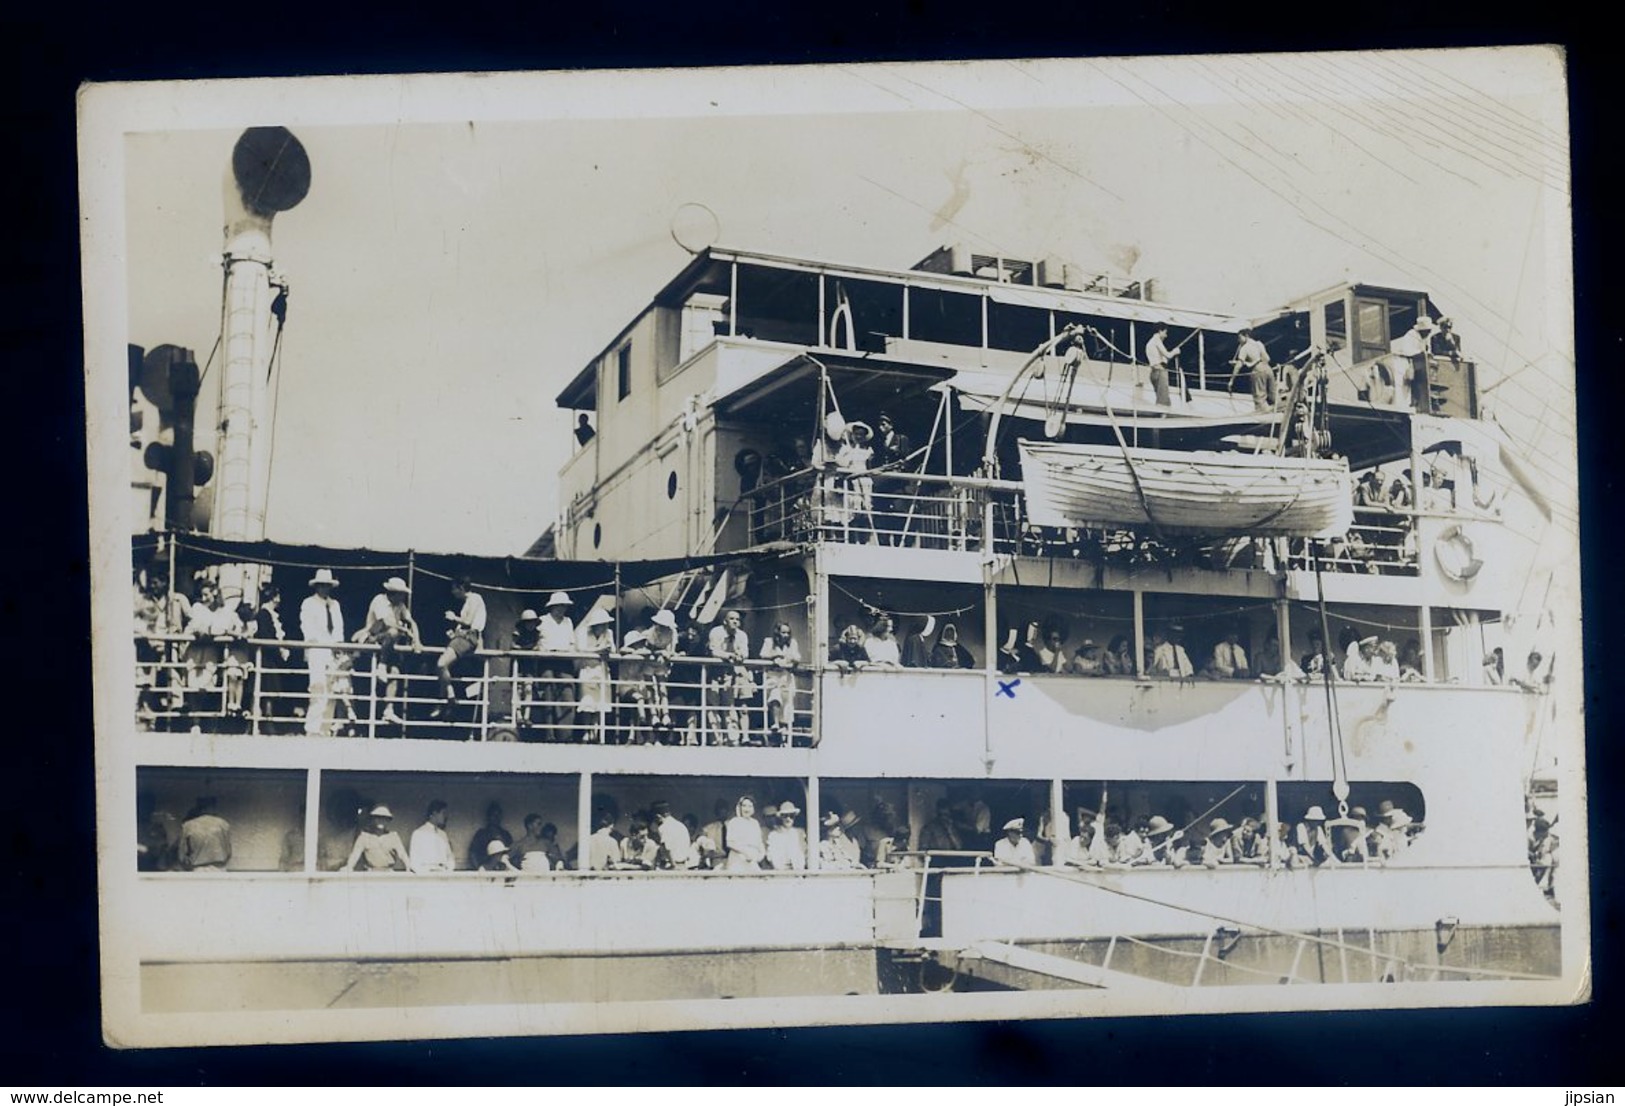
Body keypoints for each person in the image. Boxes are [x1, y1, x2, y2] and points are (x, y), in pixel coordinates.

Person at [361, 577, 418, 726]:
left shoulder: (400, 605)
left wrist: (417, 640)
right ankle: (381, 665)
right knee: (393, 632)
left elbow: (412, 622)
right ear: (393, 592)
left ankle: (389, 710)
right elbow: (387, 622)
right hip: (372, 638)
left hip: (388, 645)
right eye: (401, 593)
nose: (403, 596)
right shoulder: (379, 600)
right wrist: (405, 630)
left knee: (395, 672)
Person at [433, 577, 487, 720]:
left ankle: (449, 698)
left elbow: (469, 622)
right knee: (442, 667)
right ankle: (447, 700)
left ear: (461, 587)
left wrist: (454, 617)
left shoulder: (475, 598)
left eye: (454, 588)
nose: (453, 592)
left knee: (441, 664)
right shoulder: (468, 602)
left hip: (469, 637)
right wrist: (454, 633)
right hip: (463, 636)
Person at [299, 569, 345, 736]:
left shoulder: (335, 605)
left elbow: (338, 628)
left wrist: (339, 647)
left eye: (327, 585)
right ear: (317, 586)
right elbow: (306, 625)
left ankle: (325, 727)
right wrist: (311, 642)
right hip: (317, 649)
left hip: (332, 651)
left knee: (332, 689)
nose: (325, 588)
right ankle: (312, 727)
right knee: (317, 686)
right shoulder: (309, 603)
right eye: (322, 585)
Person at [535, 592, 578, 738]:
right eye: (559, 606)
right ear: (552, 606)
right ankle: (549, 733)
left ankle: (565, 734)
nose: (562, 609)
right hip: (547, 660)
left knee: (568, 692)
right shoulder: (542, 621)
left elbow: (572, 643)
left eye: (564, 606)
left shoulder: (568, 621)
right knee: (548, 690)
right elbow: (536, 642)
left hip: (565, 661)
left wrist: (569, 651)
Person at [706, 609, 753, 743]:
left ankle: (733, 738)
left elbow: (745, 652)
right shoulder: (716, 632)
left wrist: (740, 656)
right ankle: (716, 738)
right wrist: (728, 655)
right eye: (732, 619)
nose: (735, 622)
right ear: (725, 621)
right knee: (713, 705)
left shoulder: (742, 635)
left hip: (730, 673)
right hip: (714, 672)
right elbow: (714, 651)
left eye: (737, 619)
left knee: (729, 706)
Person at [575, 607, 617, 741]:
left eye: (605, 623)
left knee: (600, 704)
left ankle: (596, 732)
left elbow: (613, 650)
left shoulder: (609, 633)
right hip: (587, 670)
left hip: (602, 671)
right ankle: (587, 731)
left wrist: (606, 651)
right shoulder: (584, 633)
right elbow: (581, 650)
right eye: (601, 624)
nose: (604, 626)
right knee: (587, 703)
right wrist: (599, 650)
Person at [872, 412, 915, 545]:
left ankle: (899, 544)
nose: (881, 427)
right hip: (883, 484)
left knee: (898, 512)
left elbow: (907, 460)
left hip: (897, 484)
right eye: (879, 424)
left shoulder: (901, 439)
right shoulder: (879, 443)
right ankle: (883, 544)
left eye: (884, 424)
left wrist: (896, 452)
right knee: (882, 514)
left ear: (891, 425)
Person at [759, 621, 802, 743]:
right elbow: (763, 655)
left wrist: (791, 660)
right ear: (777, 632)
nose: (786, 635)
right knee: (774, 697)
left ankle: (784, 735)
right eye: (783, 632)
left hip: (786, 676)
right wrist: (774, 656)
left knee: (788, 703)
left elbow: (797, 657)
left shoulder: (792, 643)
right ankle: (775, 723)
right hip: (773, 676)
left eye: (788, 633)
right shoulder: (769, 642)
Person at [342, 804, 412, 872]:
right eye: (378, 817)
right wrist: (349, 866)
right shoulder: (364, 837)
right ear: (373, 819)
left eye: (384, 818)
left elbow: (402, 854)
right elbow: (355, 854)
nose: (381, 820)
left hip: (388, 873)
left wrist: (408, 865)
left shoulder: (393, 837)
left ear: (388, 820)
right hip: (371, 873)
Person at [177, 796, 232, 871]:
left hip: (197, 869)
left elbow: (182, 855)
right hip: (219, 869)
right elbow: (228, 851)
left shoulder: (188, 825)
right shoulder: (223, 824)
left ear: (198, 808)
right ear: (213, 807)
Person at [409, 799, 455, 873]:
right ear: (434, 813)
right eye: (443, 813)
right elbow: (414, 860)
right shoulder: (418, 833)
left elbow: (450, 857)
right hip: (426, 876)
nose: (445, 816)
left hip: (443, 875)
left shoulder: (443, 835)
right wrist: (425, 872)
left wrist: (448, 870)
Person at [1232, 328, 1274, 410]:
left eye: (1240, 338)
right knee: (1273, 394)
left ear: (1246, 336)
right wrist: (1251, 362)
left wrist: (1231, 380)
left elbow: (1238, 366)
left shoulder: (1244, 348)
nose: (1239, 340)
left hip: (1258, 370)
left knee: (1259, 397)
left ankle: (1262, 416)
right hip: (1268, 368)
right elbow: (1267, 359)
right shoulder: (1259, 343)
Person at [723, 797, 766, 871]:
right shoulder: (734, 822)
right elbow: (729, 843)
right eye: (744, 806)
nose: (747, 809)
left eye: (750, 806)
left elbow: (759, 842)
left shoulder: (755, 823)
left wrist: (761, 855)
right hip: (738, 859)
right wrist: (745, 852)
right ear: (740, 807)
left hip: (752, 860)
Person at [651, 800, 695, 869]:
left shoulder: (664, 827)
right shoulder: (680, 825)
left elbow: (667, 848)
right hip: (683, 865)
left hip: (672, 866)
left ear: (658, 816)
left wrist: (673, 865)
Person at [467, 802, 513, 870]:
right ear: (488, 816)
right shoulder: (481, 834)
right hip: (486, 869)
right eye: (493, 815)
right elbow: (472, 853)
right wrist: (479, 869)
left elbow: (512, 852)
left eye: (498, 815)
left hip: (503, 870)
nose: (496, 817)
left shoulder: (505, 834)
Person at [765, 802, 807, 871]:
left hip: (797, 871)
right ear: (781, 817)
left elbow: (803, 851)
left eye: (791, 816)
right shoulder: (774, 835)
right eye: (785, 816)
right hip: (780, 872)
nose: (788, 819)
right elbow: (771, 855)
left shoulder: (799, 833)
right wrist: (780, 866)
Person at [1144, 323, 1173, 407]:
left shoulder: (1150, 343)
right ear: (1160, 331)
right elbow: (1168, 355)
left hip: (1153, 371)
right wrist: (1175, 351)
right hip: (1160, 370)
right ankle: (1162, 416)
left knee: (1160, 397)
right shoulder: (1156, 340)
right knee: (1163, 400)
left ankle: (1162, 415)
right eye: (1165, 333)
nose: (1166, 336)